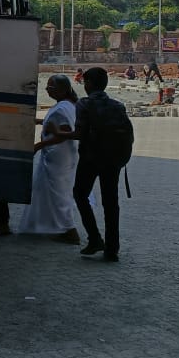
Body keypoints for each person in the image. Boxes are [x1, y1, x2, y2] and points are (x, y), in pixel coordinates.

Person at [53, 67, 132, 262]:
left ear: (88, 84)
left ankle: (95, 238)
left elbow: (79, 134)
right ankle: (112, 248)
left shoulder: (84, 104)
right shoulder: (117, 105)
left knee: (80, 194)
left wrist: (59, 133)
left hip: (91, 158)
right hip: (114, 159)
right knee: (111, 202)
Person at [18, 75, 81, 243]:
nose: (47, 90)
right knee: (52, 192)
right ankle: (54, 226)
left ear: (61, 89)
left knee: (57, 194)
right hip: (61, 157)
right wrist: (38, 121)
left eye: (51, 87)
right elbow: (53, 124)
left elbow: (63, 133)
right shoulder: (68, 105)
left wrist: (39, 145)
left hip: (57, 157)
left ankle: (69, 230)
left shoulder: (62, 108)